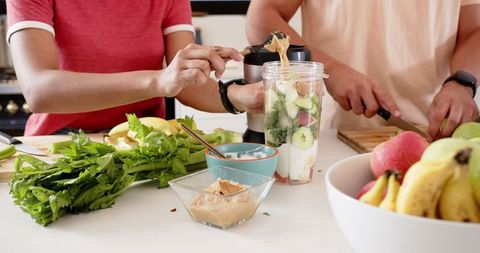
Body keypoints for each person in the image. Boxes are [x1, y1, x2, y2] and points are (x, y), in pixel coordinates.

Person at [6, 0, 263, 136]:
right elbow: (39, 91)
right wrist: (158, 81)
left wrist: (243, 96)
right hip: (58, 142)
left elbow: (185, 81)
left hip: (146, 142)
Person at [246, 0, 480, 140]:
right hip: (333, 133)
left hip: (432, 133)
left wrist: (461, 83)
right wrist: (329, 69)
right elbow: (262, 20)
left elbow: (474, 30)